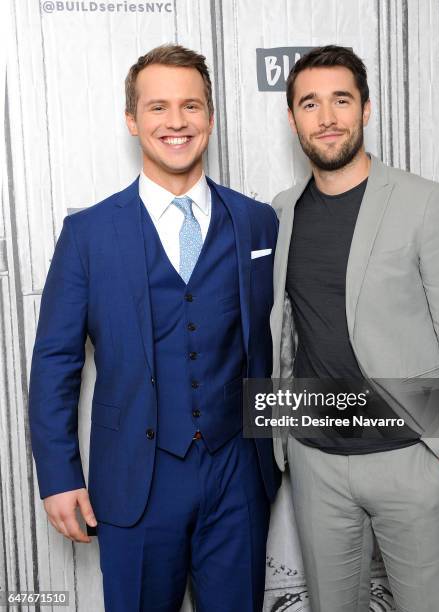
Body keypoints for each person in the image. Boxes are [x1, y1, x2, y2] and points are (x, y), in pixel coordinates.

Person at [29, 43, 280, 612]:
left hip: (238, 475)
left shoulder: (257, 220)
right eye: (158, 107)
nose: (176, 122)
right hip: (135, 480)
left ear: (210, 119)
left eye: (191, 106)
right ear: (132, 120)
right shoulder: (88, 234)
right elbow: (55, 363)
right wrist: (58, 474)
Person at [269, 45, 439, 612]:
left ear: (366, 109)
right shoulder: (280, 212)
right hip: (316, 463)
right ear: (293, 117)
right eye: (310, 104)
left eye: (341, 100)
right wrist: (288, 442)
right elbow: (286, 336)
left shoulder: (427, 203)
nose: (327, 118)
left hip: (411, 459)